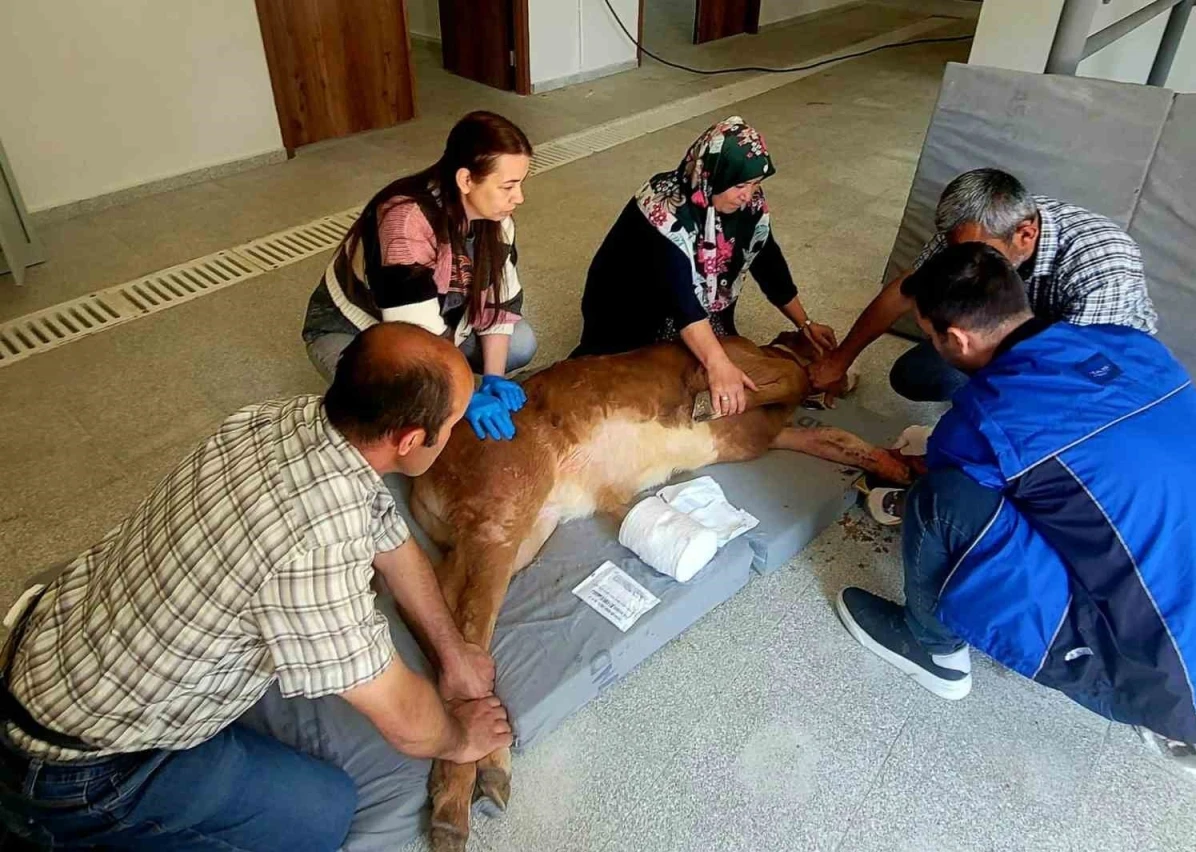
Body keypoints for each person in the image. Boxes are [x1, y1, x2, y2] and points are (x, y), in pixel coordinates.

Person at [0, 323, 513, 851]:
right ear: (408, 440)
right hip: (74, 764)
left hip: (49, 653)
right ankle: (49, 829)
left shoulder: (280, 417)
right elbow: (403, 716)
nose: (456, 432)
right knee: (321, 819)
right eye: (453, 424)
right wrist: (461, 739)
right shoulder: (316, 549)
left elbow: (388, 536)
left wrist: (453, 653)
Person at [835, 242, 1196, 747]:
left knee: (942, 499)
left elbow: (939, 471)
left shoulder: (986, 420)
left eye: (930, 333)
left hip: (1164, 682)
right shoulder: (1133, 345)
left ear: (956, 338)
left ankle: (932, 649)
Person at [809, 167, 1158, 402]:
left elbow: (1075, 374)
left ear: (1025, 235)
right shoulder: (968, 235)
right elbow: (904, 291)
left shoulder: (1100, 262)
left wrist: (967, 438)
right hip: (1006, 334)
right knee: (920, 375)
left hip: (1093, 365)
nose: (966, 261)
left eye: (981, 254)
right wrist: (840, 360)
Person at [571, 116, 837, 418]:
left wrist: (805, 323)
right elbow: (682, 302)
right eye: (740, 184)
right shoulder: (664, 211)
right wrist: (717, 364)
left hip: (689, 306)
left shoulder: (747, 204)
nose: (748, 195)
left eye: (756, 184)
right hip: (631, 308)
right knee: (637, 384)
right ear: (713, 173)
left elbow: (768, 262)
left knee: (726, 361)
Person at [302, 111, 536, 441]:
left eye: (521, 183)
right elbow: (412, 341)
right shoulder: (403, 222)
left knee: (520, 342)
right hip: (355, 331)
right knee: (408, 404)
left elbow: (499, 304)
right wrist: (464, 396)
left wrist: (493, 378)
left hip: (439, 321)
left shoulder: (497, 220)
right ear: (466, 180)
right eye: (508, 186)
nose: (519, 197)